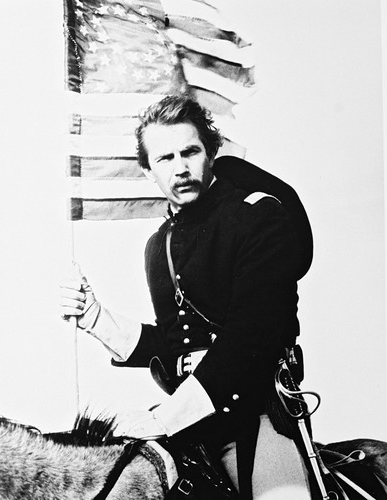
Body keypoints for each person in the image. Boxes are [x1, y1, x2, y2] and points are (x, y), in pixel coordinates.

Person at [60, 95, 313, 499]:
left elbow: (249, 339)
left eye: (190, 152)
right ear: (148, 170)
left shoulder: (258, 216)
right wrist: (96, 318)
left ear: (211, 153)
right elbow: (174, 344)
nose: (180, 168)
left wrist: (165, 418)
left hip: (255, 417)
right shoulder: (158, 245)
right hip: (189, 424)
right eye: (165, 158)